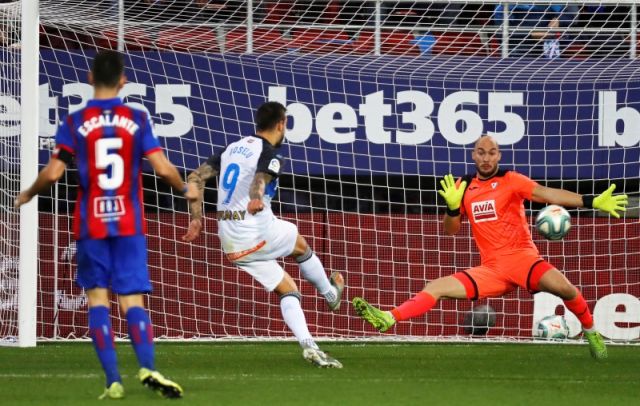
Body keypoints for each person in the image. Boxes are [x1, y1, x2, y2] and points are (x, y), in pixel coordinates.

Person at [14, 50, 198, 399]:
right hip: (129, 222)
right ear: (124, 80)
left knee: (98, 299)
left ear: (89, 78)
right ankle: (148, 367)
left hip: (91, 223)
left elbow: (54, 173)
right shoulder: (137, 118)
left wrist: (28, 194)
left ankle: (113, 380)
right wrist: (184, 189)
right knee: (132, 301)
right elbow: (161, 167)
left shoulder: (74, 121)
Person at [352, 135, 628, 360]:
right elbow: (451, 230)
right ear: (474, 155)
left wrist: (590, 201)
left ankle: (591, 333)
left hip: (523, 259)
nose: (486, 157)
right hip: (492, 269)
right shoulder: (464, 187)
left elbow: (546, 194)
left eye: (492, 152)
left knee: (567, 290)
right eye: (481, 152)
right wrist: (451, 207)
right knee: (436, 286)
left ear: (499, 156)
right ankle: (389, 317)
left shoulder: (512, 181)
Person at [182, 101, 344, 368]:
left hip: (229, 238)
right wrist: (256, 198)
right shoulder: (270, 153)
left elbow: (195, 178)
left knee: (288, 289)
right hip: (255, 228)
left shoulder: (231, 148)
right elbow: (260, 178)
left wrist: (197, 219)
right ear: (282, 124)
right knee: (300, 246)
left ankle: (310, 347)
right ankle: (330, 294)